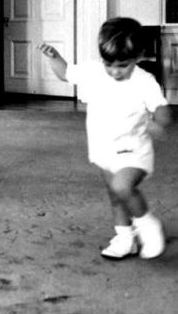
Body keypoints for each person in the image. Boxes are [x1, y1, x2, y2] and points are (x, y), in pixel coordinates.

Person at [40, 17, 171, 260]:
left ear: (138, 57)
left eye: (122, 65)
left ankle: (148, 225)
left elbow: (162, 109)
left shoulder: (144, 81)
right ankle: (125, 238)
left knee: (122, 186)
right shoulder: (93, 71)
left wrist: (158, 123)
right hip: (103, 149)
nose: (114, 71)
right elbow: (66, 73)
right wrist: (53, 57)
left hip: (134, 149)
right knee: (115, 195)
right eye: (109, 63)